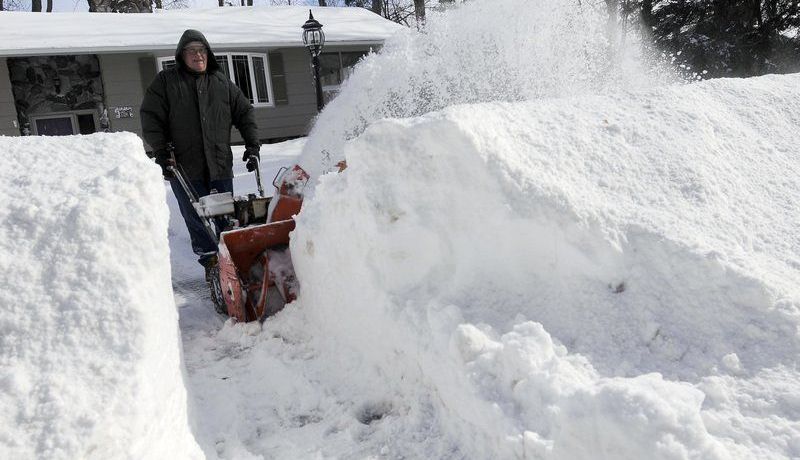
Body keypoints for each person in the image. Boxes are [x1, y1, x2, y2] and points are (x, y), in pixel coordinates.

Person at [140, 29, 260, 277]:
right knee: (197, 217)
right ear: (181, 55)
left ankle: (233, 265)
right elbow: (151, 117)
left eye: (202, 50)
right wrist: (161, 151)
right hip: (184, 166)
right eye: (192, 51)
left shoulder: (221, 82)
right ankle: (211, 265)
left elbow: (244, 112)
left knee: (225, 216)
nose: (198, 55)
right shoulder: (166, 82)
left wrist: (252, 146)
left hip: (219, 163)